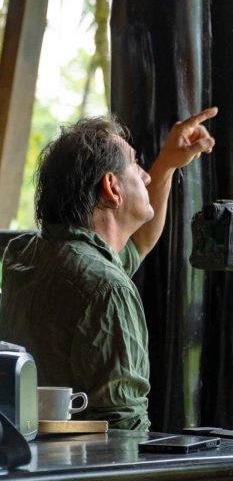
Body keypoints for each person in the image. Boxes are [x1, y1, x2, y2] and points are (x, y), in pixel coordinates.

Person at [0, 108, 217, 430]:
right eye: (136, 165)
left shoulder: (28, 255)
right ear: (112, 188)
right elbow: (123, 425)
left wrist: (168, 164)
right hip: (82, 458)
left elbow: (137, 243)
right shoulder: (106, 288)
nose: (146, 176)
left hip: (22, 450)